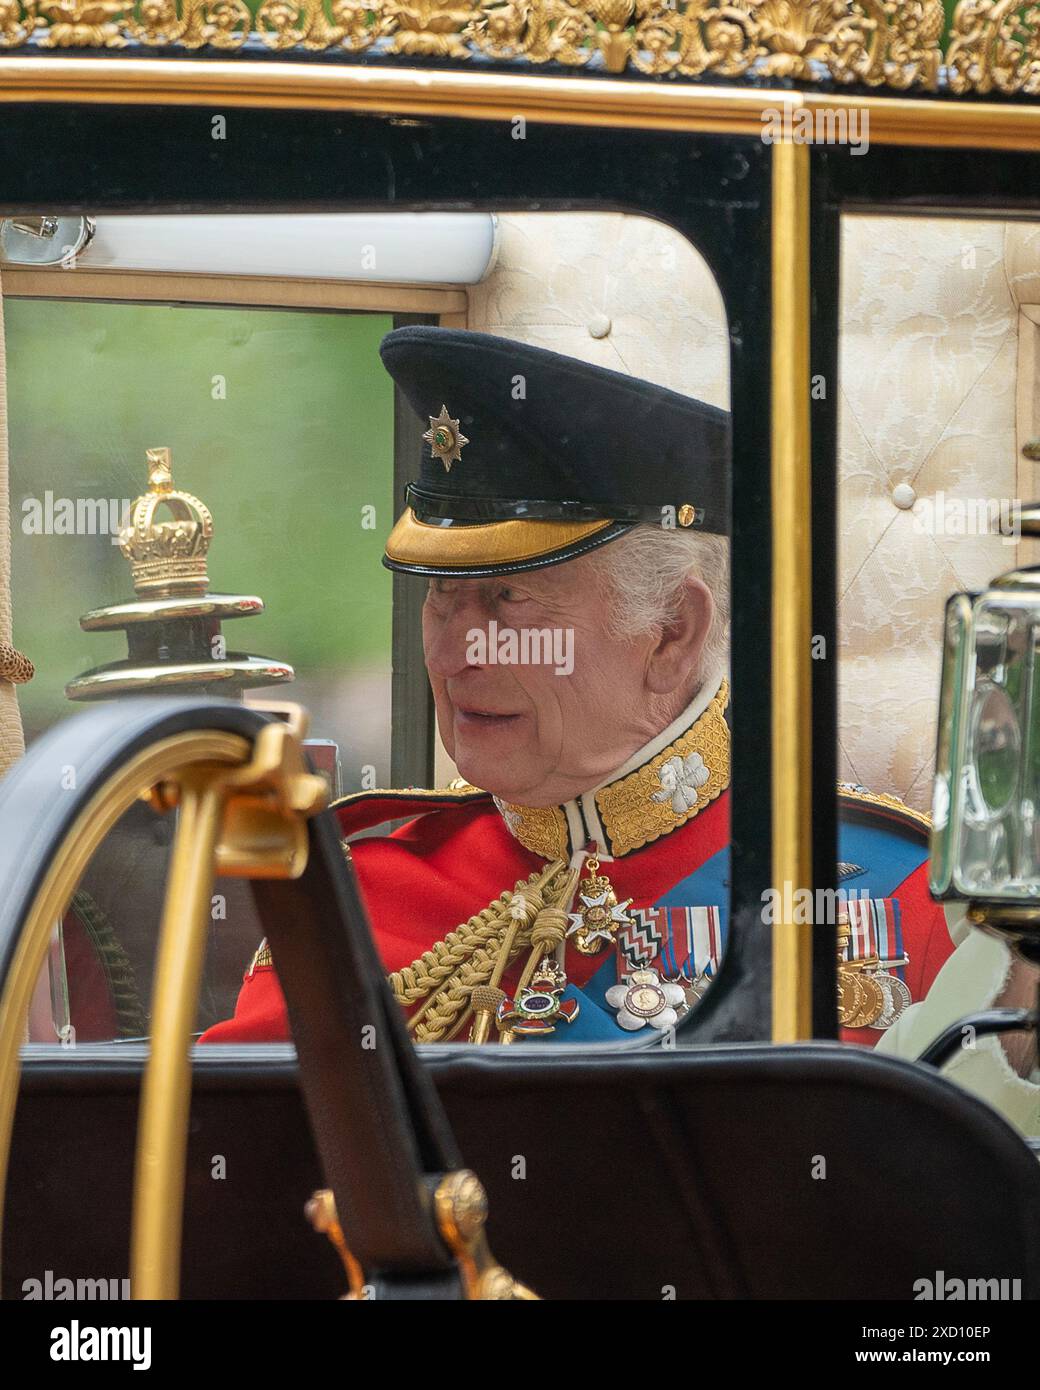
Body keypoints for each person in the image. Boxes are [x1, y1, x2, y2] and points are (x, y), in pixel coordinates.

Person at [201, 326, 957, 1051]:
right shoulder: (362, 899)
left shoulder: (896, 899)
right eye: (440, 596)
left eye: (509, 600)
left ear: (671, 633)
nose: (454, 653)